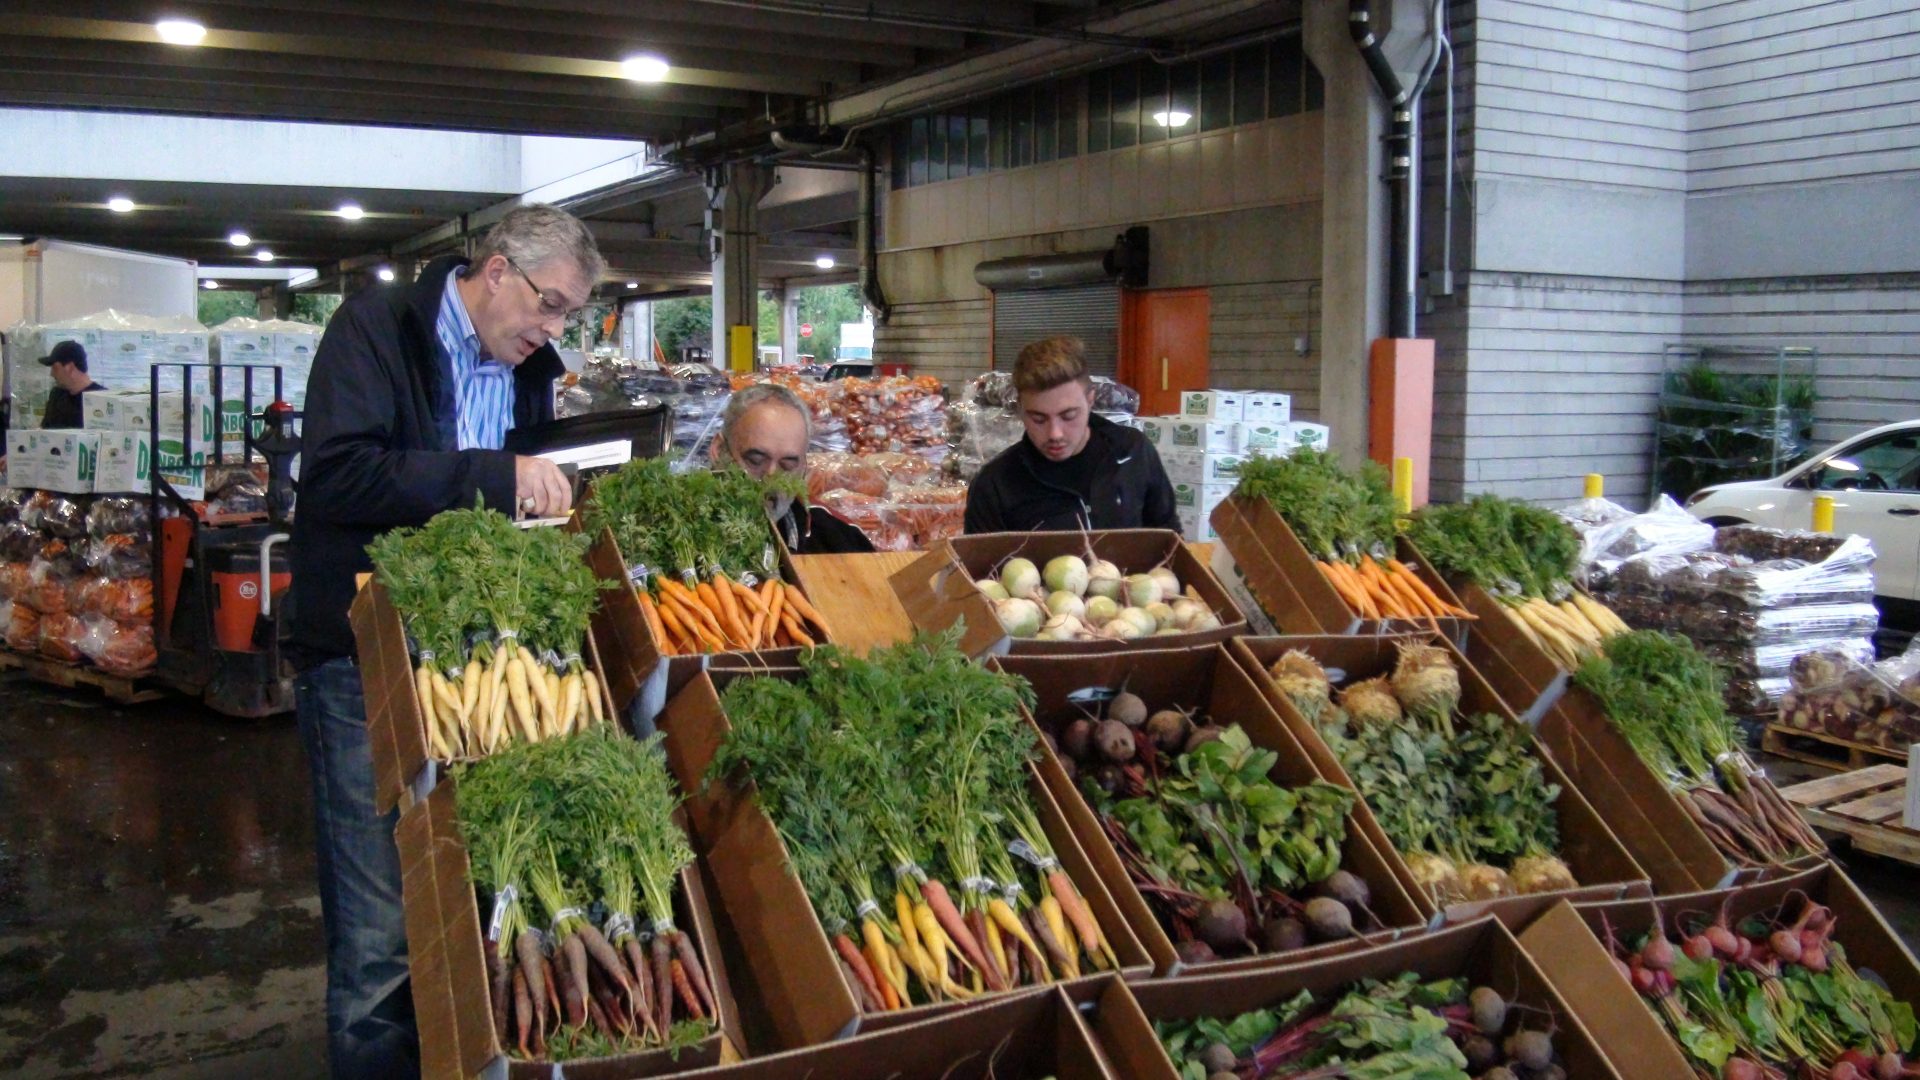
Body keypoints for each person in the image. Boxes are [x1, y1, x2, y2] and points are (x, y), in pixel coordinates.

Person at [288, 204, 602, 1080]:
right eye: (549, 304)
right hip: (365, 661)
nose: (553, 330)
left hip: (476, 660)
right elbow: (340, 473)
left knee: (470, 897)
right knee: (381, 926)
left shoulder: (531, 364)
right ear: (495, 270)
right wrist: (491, 479)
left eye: (569, 315)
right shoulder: (376, 327)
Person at [964, 335, 1178, 534]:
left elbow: (1167, 535)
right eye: (1038, 419)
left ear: (1090, 400)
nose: (1055, 434)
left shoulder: (1132, 451)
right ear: (1019, 409)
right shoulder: (994, 486)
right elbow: (978, 571)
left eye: (1068, 416)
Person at [710, 381, 875, 554]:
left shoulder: (839, 542)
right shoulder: (682, 525)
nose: (771, 476)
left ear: (803, 467)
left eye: (787, 465)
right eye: (756, 461)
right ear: (719, 450)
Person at [39, 340, 106, 429]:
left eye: (55, 368)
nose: (52, 374)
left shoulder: (101, 399)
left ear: (70, 368)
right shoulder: (57, 395)